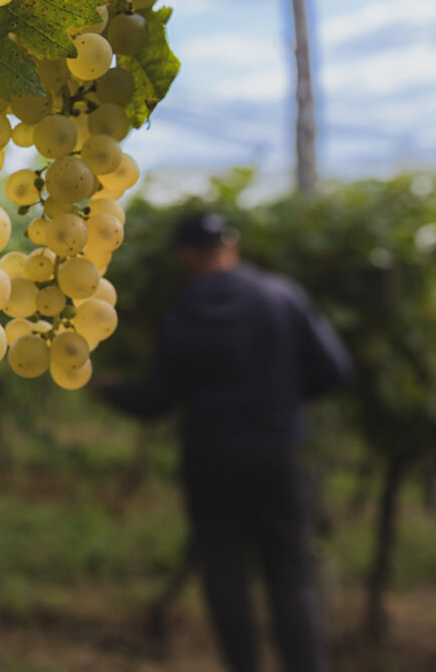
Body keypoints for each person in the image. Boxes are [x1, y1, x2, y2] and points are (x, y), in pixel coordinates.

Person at [99, 212, 352, 672]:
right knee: (291, 575)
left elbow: (157, 400)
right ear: (230, 247)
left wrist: (110, 388)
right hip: (276, 453)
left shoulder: (182, 312)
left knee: (224, 574)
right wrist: (283, 401)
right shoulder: (282, 296)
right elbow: (335, 369)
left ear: (185, 256)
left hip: (209, 457)